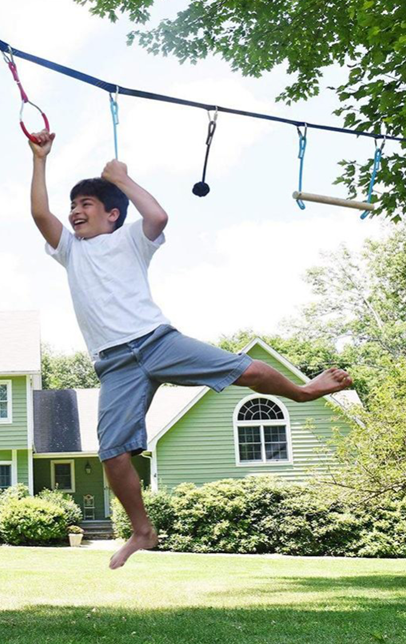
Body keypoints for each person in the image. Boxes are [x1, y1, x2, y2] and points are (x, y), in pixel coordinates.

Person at [27, 130, 353, 569]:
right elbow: (38, 212)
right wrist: (40, 158)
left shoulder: (129, 240)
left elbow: (158, 217)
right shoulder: (70, 250)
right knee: (112, 453)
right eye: (73, 206)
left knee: (249, 372)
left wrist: (122, 178)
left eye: (85, 204)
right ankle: (142, 531)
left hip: (158, 342)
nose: (75, 211)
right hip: (115, 364)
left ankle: (302, 391)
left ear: (112, 214)